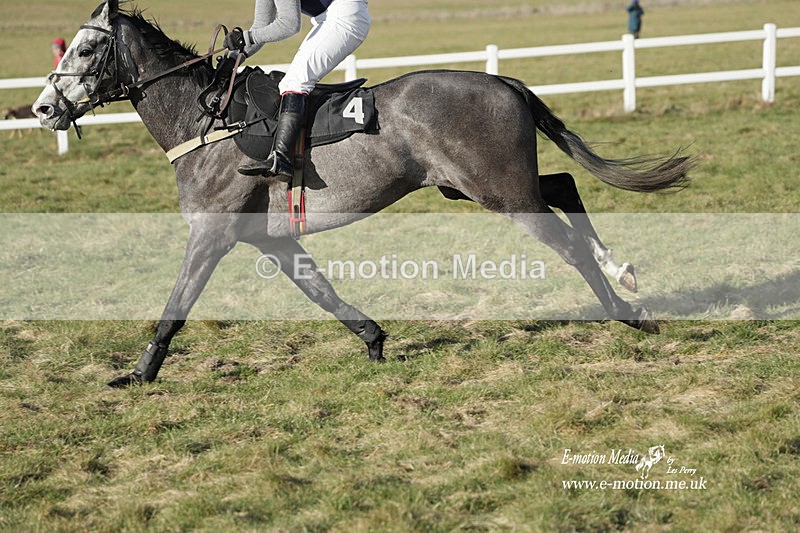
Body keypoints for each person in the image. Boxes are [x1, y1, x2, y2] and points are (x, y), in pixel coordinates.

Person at [224, 0, 371, 181]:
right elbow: (261, 27)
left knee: (294, 82)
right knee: (291, 82)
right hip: (327, 18)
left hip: (344, 15)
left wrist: (246, 37)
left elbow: (289, 25)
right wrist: (233, 59)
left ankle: (282, 158)